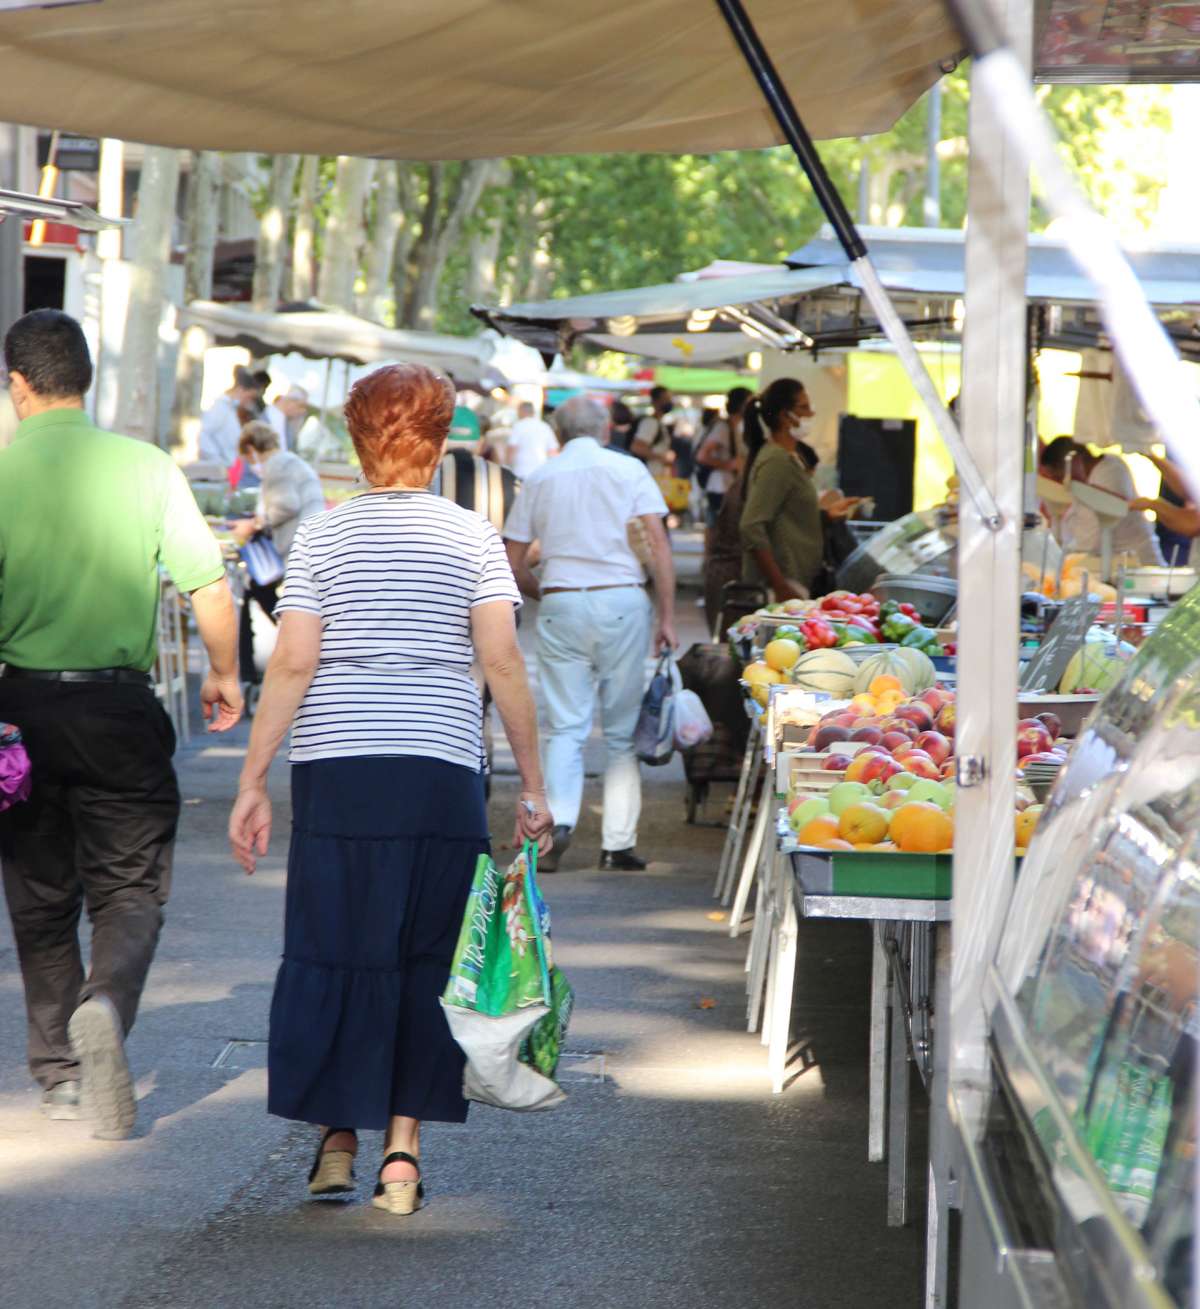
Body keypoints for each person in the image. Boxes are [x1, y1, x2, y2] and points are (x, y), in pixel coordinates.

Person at [228, 363, 551, 1215]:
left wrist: (253, 778)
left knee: (335, 941)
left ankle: (336, 1137)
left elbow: (293, 661)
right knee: (426, 951)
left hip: (338, 767)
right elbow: (501, 659)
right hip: (438, 766)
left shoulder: (323, 537)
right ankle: (401, 1157)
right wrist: (535, 782)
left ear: (358, 442)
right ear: (438, 444)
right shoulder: (471, 536)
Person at [0, 309, 243, 1139]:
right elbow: (209, 586)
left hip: (19, 714)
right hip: (119, 709)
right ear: (86, 379)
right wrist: (224, 673)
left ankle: (62, 1073)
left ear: (17, 384)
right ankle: (105, 1001)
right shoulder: (147, 468)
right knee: (129, 888)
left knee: (39, 896)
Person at [504, 395, 677, 873]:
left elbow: (512, 563)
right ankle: (617, 845)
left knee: (566, 726)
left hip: (562, 602)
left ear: (558, 434)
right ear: (605, 430)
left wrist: (549, 592)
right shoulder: (630, 470)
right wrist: (666, 617)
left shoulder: (540, 478)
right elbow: (659, 546)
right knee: (620, 733)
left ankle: (557, 824)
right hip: (622, 601)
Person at [231, 421, 327, 684]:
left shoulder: (276, 465)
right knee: (262, 591)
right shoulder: (290, 461)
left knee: (255, 588)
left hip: (298, 545)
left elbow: (286, 504)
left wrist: (256, 523)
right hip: (310, 541)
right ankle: (292, 632)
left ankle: (251, 668)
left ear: (251, 449)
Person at [738, 378, 826, 599]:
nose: (811, 414)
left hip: (796, 579)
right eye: (804, 407)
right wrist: (780, 586)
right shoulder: (777, 461)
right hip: (784, 585)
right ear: (785, 416)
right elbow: (751, 526)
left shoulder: (792, 457)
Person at [1066, 441, 1164, 565]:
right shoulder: (1099, 473)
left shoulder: (1110, 472)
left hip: (1137, 562)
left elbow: (1091, 539)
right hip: (1120, 560)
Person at [695, 386, 752, 533]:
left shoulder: (734, 427)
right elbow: (702, 455)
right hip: (720, 486)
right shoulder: (723, 428)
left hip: (726, 485)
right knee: (718, 527)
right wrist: (728, 465)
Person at [199, 365, 260, 467]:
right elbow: (203, 435)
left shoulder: (231, 408)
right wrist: (217, 460)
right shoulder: (220, 408)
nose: (248, 402)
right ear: (240, 390)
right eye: (249, 397)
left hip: (228, 465)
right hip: (220, 466)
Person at [504, 400, 559, 480]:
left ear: (521, 411)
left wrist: (507, 466)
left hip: (521, 470)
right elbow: (553, 451)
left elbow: (512, 448)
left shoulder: (518, 426)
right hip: (540, 471)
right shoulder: (545, 427)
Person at [629, 385, 675, 477]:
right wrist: (662, 457)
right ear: (655, 401)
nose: (669, 402)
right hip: (649, 475)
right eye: (666, 399)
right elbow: (637, 447)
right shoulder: (651, 423)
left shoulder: (659, 424)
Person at [262, 383, 309, 452]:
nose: (303, 411)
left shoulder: (288, 423)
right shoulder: (260, 417)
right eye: (301, 406)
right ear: (290, 401)